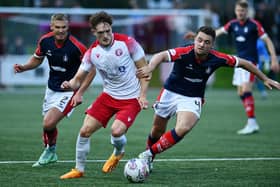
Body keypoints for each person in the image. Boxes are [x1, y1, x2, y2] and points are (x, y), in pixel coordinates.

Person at [136, 26, 280, 173]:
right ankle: (149, 158)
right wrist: (150, 67)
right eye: (199, 40)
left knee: (184, 127)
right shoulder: (184, 52)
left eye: (206, 42)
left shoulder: (217, 58)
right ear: (195, 40)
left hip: (192, 97)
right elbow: (160, 55)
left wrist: (265, 78)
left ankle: (147, 154)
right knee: (157, 131)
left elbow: (245, 63)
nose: (202, 44)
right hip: (170, 92)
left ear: (212, 45)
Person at [59, 11, 150, 179]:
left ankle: (118, 152)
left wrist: (143, 95)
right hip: (108, 96)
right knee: (85, 130)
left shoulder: (128, 43)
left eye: (108, 30)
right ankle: (78, 170)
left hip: (131, 98)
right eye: (101, 32)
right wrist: (70, 85)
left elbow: (145, 71)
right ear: (94, 32)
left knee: (116, 131)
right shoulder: (92, 53)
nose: (106, 35)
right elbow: (78, 78)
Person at [185, 0, 279, 135]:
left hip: (251, 63)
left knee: (246, 90)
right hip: (239, 62)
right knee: (241, 92)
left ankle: (252, 123)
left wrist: (273, 59)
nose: (241, 13)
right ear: (236, 11)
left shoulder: (254, 25)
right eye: (239, 11)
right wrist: (196, 36)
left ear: (247, 12)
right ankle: (251, 121)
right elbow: (216, 33)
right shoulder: (233, 24)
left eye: (243, 11)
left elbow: (268, 40)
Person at [13, 14, 92, 167]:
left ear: (68, 28)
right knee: (48, 125)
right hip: (51, 88)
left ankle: (50, 151)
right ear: (51, 27)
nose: (61, 31)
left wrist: (80, 91)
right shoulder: (45, 41)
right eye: (57, 27)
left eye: (64, 27)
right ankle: (50, 151)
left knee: (48, 123)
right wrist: (24, 67)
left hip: (70, 91)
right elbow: (37, 59)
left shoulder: (77, 47)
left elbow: (91, 69)